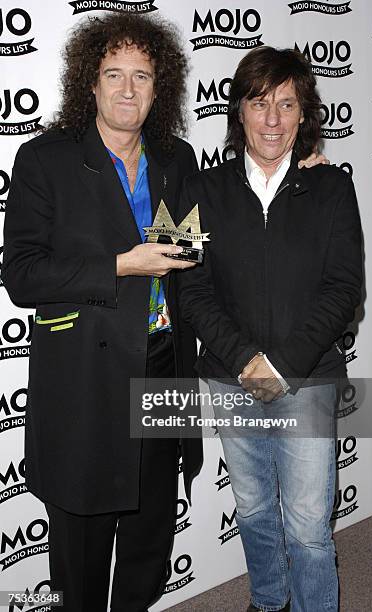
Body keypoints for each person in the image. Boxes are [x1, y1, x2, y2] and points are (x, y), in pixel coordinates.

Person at [2, 12, 203, 612]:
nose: (126, 90)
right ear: (89, 83)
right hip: (85, 382)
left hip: (163, 369)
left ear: (156, 87)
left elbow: (199, 244)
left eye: (141, 76)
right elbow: (22, 276)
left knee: (149, 543)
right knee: (81, 557)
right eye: (113, 74)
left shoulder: (176, 157)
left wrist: (297, 167)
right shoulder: (46, 159)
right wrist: (119, 266)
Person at [178, 46, 362, 612]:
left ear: (305, 114)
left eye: (288, 104)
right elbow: (189, 288)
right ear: (239, 112)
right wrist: (244, 361)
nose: (274, 120)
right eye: (260, 104)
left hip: (307, 380)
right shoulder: (199, 191)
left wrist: (282, 365)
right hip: (233, 380)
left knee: (308, 526)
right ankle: (268, 598)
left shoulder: (332, 189)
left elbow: (343, 289)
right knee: (254, 511)